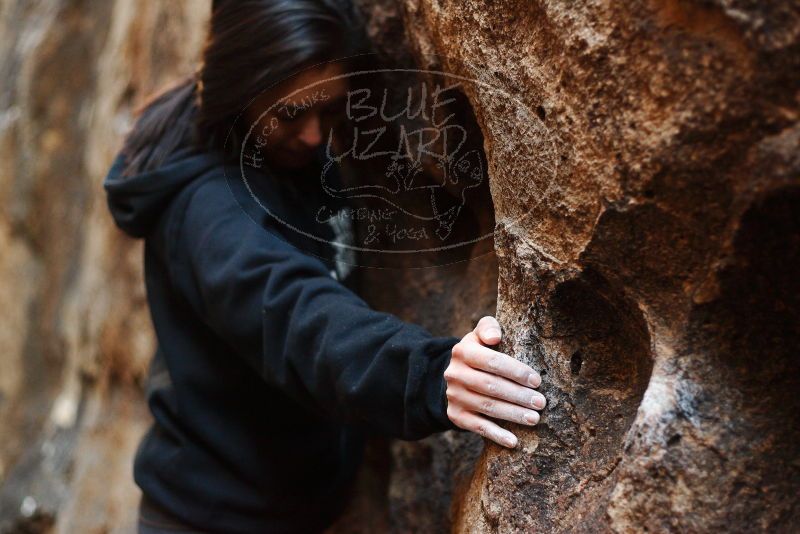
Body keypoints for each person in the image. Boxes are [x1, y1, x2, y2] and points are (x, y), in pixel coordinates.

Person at [102, 1, 546, 532]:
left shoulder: (284, 155)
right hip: (212, 519)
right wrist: (426, 376)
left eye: (330, 110)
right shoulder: (206, 208)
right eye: (291, 114)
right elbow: (294, 315)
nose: (315, 136)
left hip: (296, 508)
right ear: (240, 85)